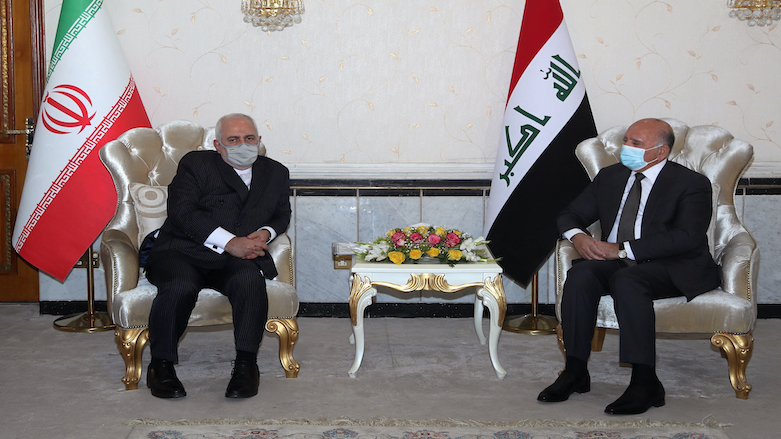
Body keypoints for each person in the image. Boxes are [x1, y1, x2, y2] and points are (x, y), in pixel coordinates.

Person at [537, 118, 720, 415]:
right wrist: (579, 237)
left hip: (671, 265)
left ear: (660, 152)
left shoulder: (691, 184)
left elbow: (686, 237)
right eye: (626, 140)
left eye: (636, 144)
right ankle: (575, 371)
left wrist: (621, 249)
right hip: (620, 262)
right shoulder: (611, 177)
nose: (626, 148)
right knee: (581, 273)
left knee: (628, 281)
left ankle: (645, 381)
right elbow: (569, 214)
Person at [144, 113, 291, 399]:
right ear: (218, 145)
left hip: (237, 259)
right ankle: (161, 365)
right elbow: (183, 212)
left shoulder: (276, 172)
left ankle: (247, 365)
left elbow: (281, 214)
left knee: (250, 280)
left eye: (249, 138)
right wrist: (230, 242)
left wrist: (266, 232)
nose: (242, 145)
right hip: (182, 250)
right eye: (232, 139)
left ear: (259, 141)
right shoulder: (195, 165)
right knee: (179, 286)